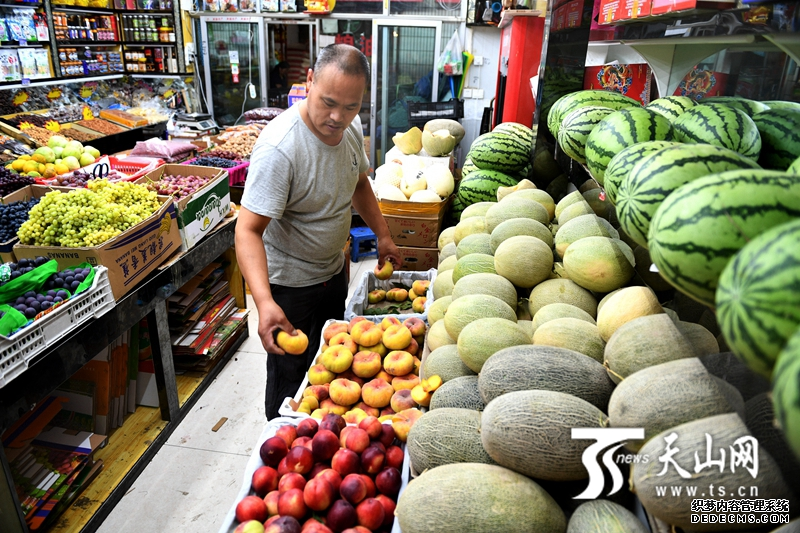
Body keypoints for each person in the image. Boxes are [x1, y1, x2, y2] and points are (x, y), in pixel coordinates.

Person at [236, 44, 402, 420]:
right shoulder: (281, 149)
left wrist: (384, 235)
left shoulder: (350, 126)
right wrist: (264, 303)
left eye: (350, 106)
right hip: (290, 287)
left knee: (328, 371)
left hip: (332, 270)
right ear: (308, 81)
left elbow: (358, 183)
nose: (337, 117)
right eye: (328, 102)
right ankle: (280, 443)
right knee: (290, 383)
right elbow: (246, 230)